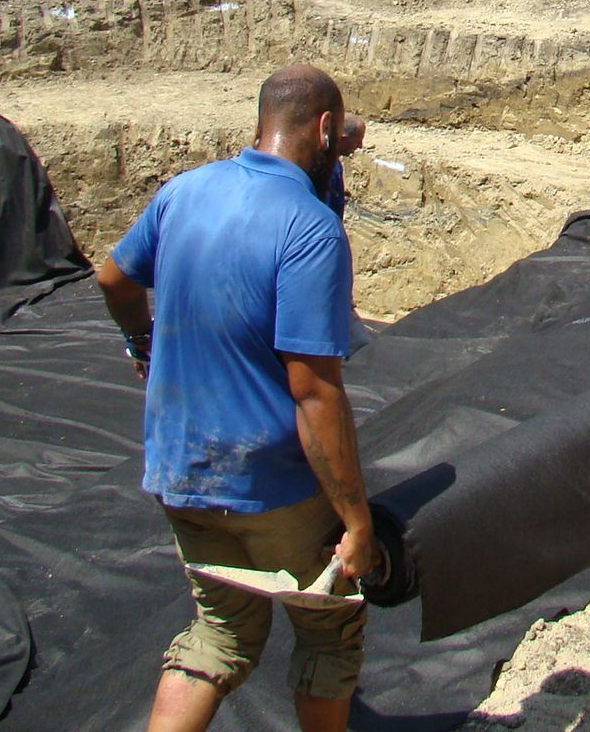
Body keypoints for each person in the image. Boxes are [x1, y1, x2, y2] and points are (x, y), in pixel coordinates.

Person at [96, 64, 380, 732]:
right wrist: (357, 520)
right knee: (327, 634)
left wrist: (143, 339)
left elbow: (112, 277)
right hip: (269, 482)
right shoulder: (309, 230)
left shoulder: (183, 193)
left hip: (179, 469)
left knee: (220, 635)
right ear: (323, 129)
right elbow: (313, 393)